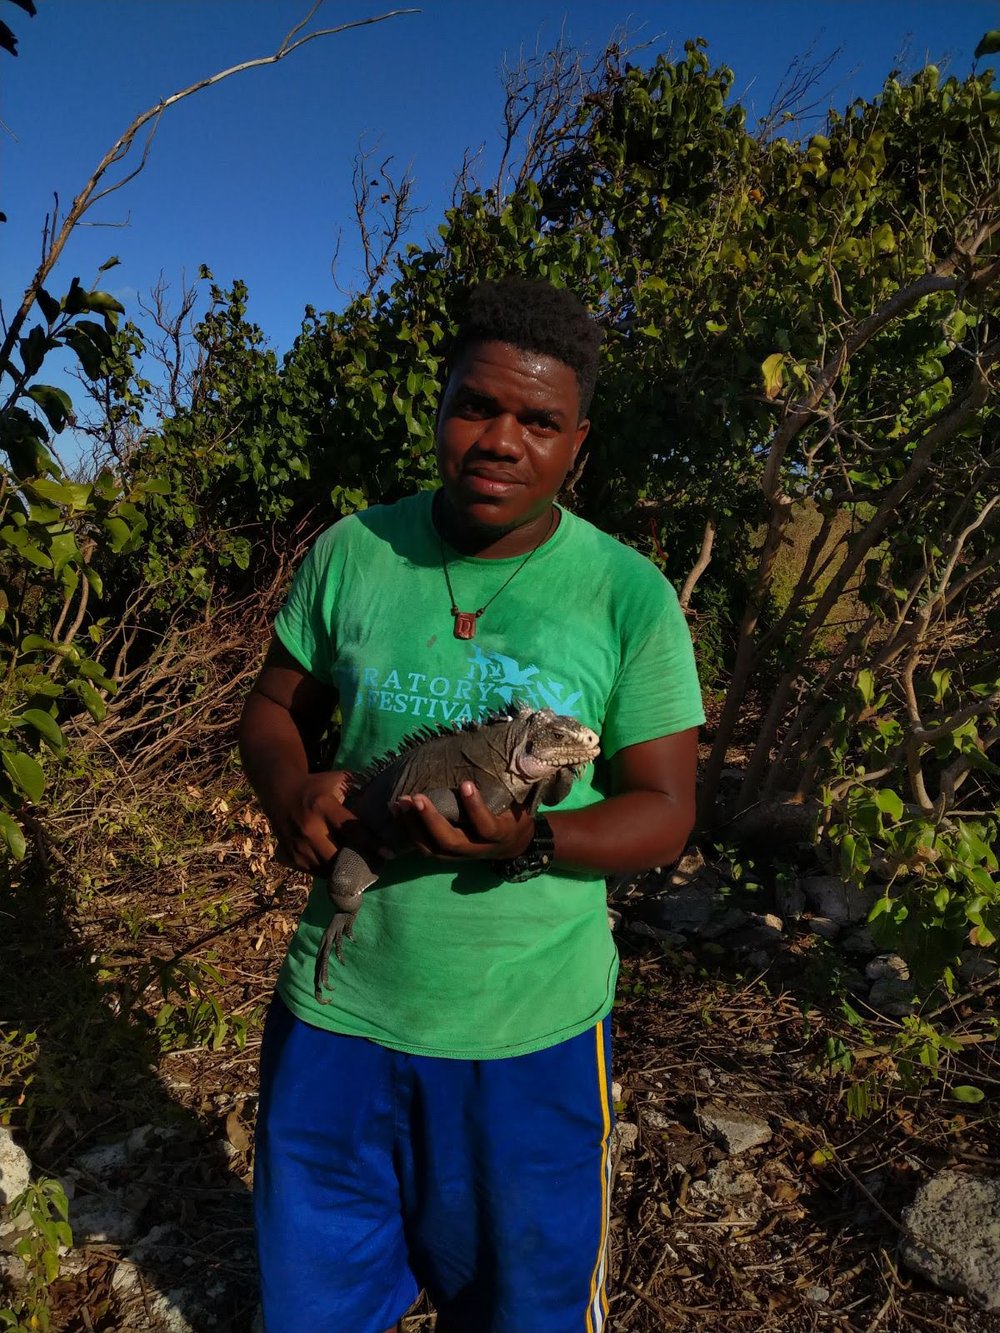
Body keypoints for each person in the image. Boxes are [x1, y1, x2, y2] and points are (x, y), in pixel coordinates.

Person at [240, 277, 704, 1333]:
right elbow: (271, 710)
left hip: (527, 1040)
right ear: (440, 405)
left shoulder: (626, 594)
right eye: (475, 407)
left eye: (538, 421)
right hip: (336, 1019)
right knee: (312, 1305)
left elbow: (664, 808)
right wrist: (288, 789)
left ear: (576, 440)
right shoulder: (353, 550)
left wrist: (530, 838)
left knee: (522, 1310)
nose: (500, 440)